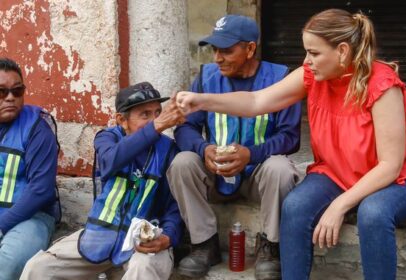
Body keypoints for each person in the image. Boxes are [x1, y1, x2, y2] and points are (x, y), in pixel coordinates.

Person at [176, 9, 406, 280]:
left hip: (399, 180)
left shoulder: (382, 85)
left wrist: (339, 206)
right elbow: (256, 102)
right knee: (296, 206)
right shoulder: (312, 75)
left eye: (314, 53)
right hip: (338, 172)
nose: (307, 61)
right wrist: (202, 100)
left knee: (373, 213)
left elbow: (390, 166)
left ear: (343, 51)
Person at [168, 14, 301, 279]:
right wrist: (204, 148)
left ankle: (270, 246)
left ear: (250, 48)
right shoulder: (206, 78)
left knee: (281, 168)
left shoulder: (280, 78)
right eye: (215, 50)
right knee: (182, 162)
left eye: (226, 51)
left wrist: (251, 154)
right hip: (215, 171)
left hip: (256, 174)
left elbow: (291, 137)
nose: (217, 58)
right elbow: (185, 127)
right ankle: (203, 244)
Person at [21, 82, 184, 280]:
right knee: (38, 268)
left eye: (158, 113)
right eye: (145, 114)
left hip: (144, 241)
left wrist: (167, 238)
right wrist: (156, 127)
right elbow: (109, 161)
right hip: (102, 235)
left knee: (141, 270)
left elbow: (174, 208)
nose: (155, 120)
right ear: (121, 120)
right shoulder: (107, 139)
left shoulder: (169, 151)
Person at [0, 58, 60, 280]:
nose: (10, 98)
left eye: (17, 91)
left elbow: (41, 190)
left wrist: (2, 226)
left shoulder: (37, 129)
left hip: (30, 217)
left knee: (7, 265)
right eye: (2, 92)